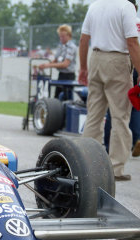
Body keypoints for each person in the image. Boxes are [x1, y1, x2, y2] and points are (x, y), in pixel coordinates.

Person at [78, 0, 140, 181]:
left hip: (95, 58)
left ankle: (88, 162)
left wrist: (83, 67)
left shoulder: (95, 5)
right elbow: (132, 43)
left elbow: (83, 39)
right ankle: (115, 168)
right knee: (120, 117)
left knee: (94, 115)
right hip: (117, 60)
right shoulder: (126, 6)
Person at [104, 3, 140, 158]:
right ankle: (135, 140)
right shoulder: (136, 22)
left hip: (124, 63)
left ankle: (108, 146)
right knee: (135, 107)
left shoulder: (118, 21)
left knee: (115, 109)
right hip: (133, 65)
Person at [38, 24, 77, 100]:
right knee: (57, 98)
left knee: (66, 98)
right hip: (61, 75)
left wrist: (48, 66)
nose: (61, 38)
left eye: (63, 36)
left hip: (69, 76)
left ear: (68, 35)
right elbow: (55, 60)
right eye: (60, 36)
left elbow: (65, 64)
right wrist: (44, 65)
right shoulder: (61, 46)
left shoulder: (72, 47)